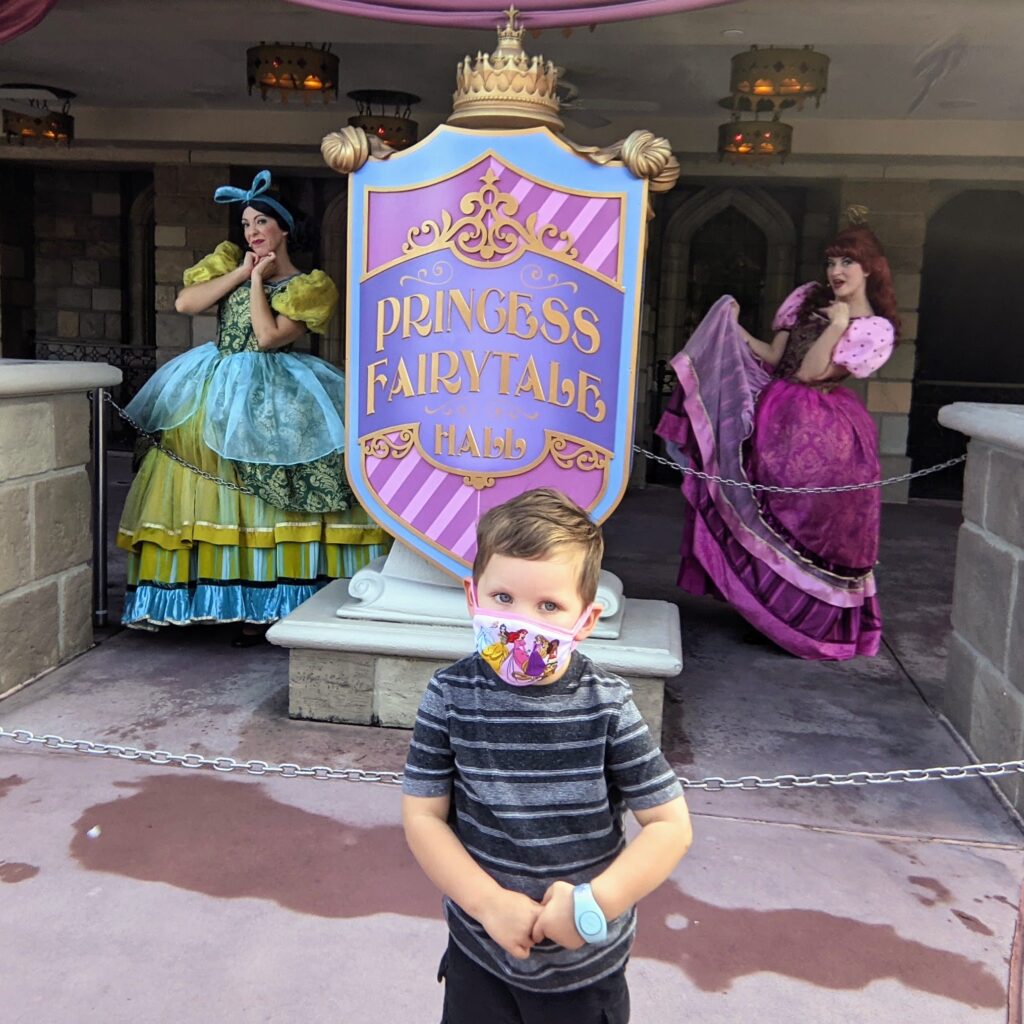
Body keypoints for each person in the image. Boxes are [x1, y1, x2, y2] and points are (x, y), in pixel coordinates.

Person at [402, 488, 692, 1024]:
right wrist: (487, 904)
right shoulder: (449, 695)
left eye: (549, 606)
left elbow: (670, 825)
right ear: (473, 597)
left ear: (585, 620)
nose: (520, 622)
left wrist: (594, 903)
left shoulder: (606, 705)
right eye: (503, 599)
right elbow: (423, 816)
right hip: (479, 956)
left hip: (583, 971)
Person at [117, 170, 391, 642]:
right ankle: (213, 598)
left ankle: (274, 601)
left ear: (284, 230)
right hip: (213, 382)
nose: (252, 231)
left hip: (276, 387)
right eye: (246, 223)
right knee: (206, 479)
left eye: (262, 221)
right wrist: (242, 273)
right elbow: (186, 303)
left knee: (271, 484)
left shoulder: (310, 286)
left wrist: (261, 282)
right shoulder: (232, 266)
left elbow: (266, 338)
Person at [656, 216, 900, 660]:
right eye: (832, 261)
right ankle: (763, 610)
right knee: (761, 511)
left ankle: (801, 621)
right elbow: (774, 358)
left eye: (849, 261)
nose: (836, 271)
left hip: (827, 434)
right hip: (773, 421)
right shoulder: (806, 298)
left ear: (870, 270)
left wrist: (838, 324)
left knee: (806, 522)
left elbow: (812, 374)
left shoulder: (873, 330)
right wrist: (733, 328)